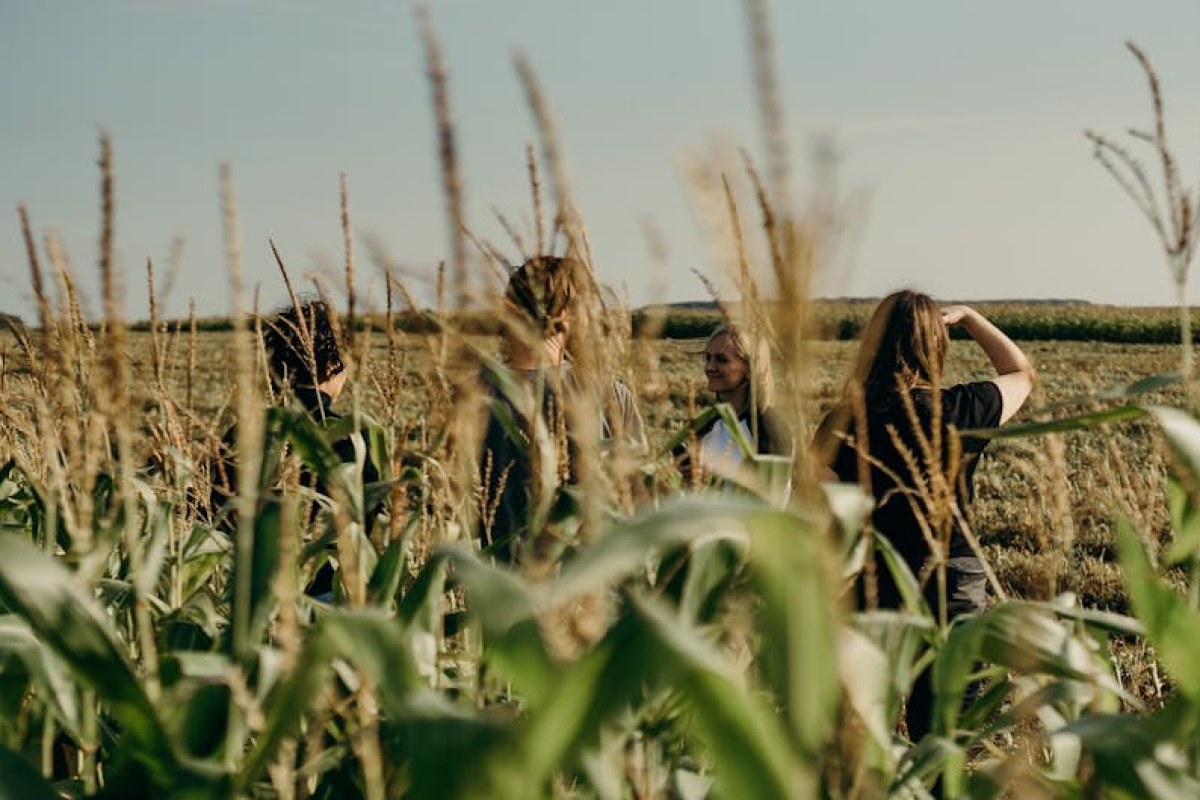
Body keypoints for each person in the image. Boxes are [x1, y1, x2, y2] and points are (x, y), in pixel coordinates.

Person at [813, 290, 1034, 742]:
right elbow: (1020, 373)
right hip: (951, 585)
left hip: (872, 585)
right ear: (937, 346)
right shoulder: (961, 409)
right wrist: (971, 317)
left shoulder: (843, 421)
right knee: (943, 732)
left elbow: (816, 509)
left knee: (861, 730)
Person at [209, 298, 386, 598]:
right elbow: (375, 523)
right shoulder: (354, 438)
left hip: (252, 602)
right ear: (333, 365)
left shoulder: (242, 434)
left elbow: (212, 512)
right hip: (328, 596)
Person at [476, 255, 646, 563]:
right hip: (591, 584)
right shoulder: (610, 395)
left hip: (501, 584)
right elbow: (637, 498)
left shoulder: (475, 394)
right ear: (569, 314)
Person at [675, 323, 793, 491]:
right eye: (707, 358)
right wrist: (689, 479)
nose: (709, 367)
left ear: (750, 368)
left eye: (721, 360)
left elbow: (772, 501)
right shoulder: (708, 425)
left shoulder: (768, 428)